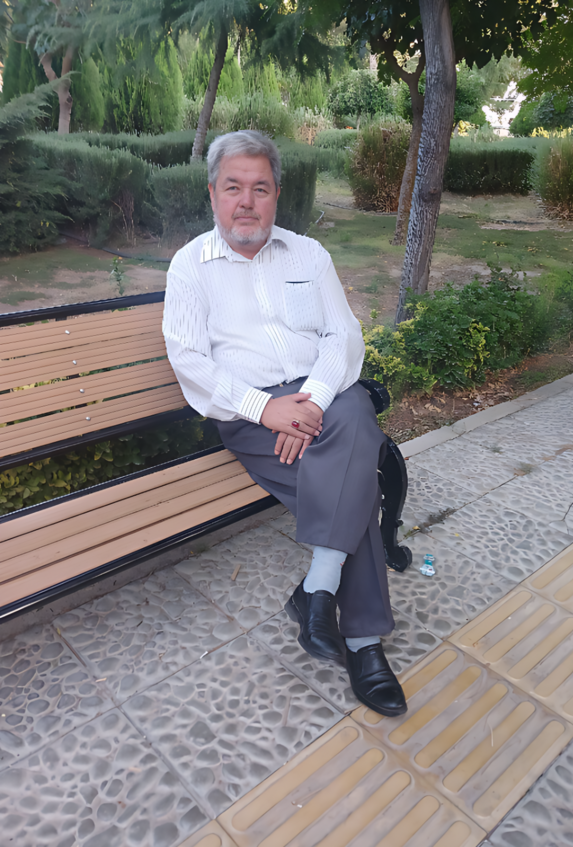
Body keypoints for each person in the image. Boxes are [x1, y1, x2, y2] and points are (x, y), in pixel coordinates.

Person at [162, 130, 406, 717]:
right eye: (233, 188)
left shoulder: (308, 254)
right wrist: (265, 408)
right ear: (213, 194)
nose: (246, 202)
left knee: (353, 412)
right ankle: (363, 643)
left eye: (260, 189)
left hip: (325, 399)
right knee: (356, 484)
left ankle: (320, 585)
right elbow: (189, 359)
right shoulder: (191, 266)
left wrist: (314, 400)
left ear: (277, 194)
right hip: (251, 416)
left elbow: (342, 336)